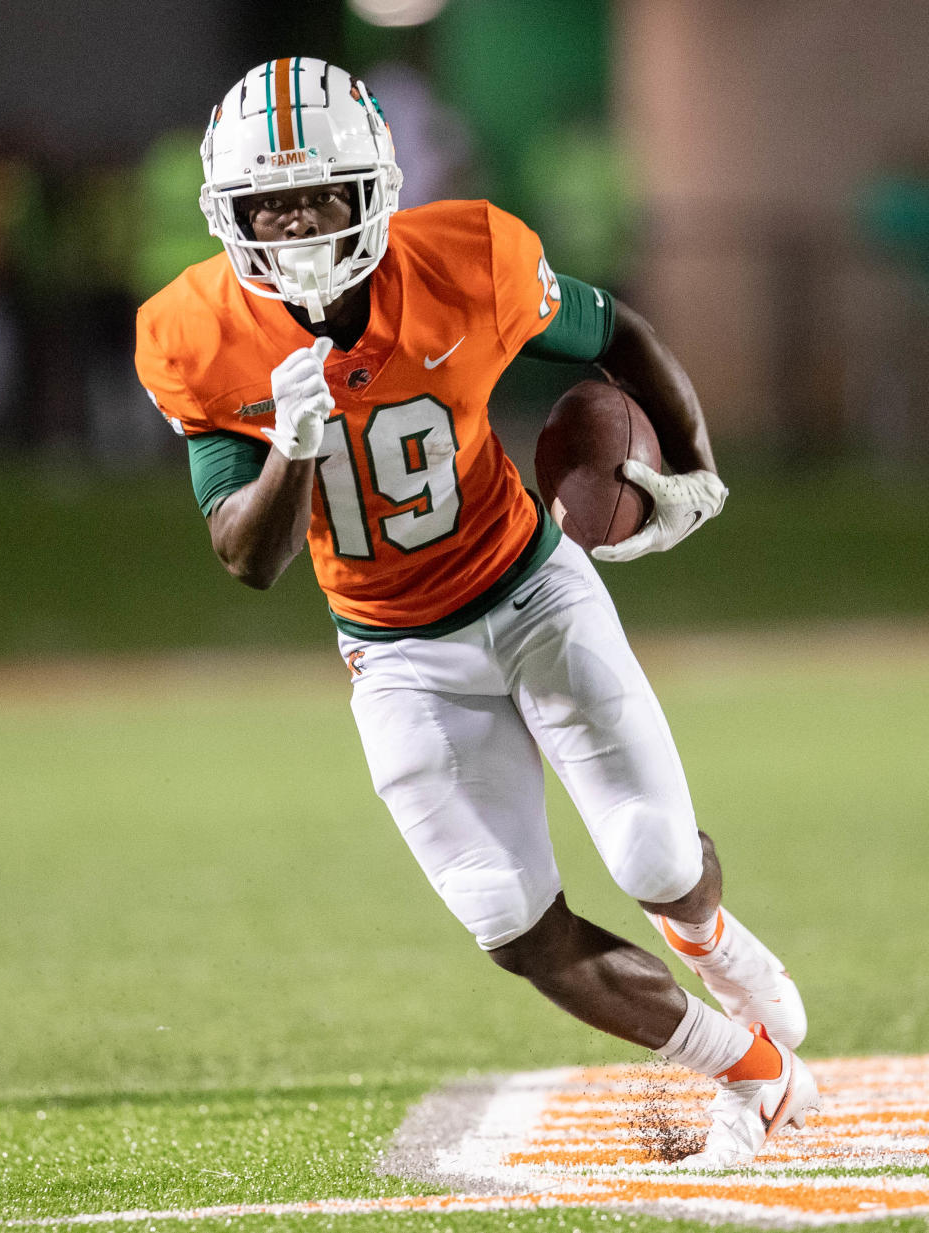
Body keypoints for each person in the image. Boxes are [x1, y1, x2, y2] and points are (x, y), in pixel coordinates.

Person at [135, 58, 818, 1167]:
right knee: (510, 921)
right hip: (394, 650)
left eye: (319, 195)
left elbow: (616, 336)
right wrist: (290, 454)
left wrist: (692, 467)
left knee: (653, 857)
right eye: (270, 203)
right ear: (231, 214)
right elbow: (247, 559)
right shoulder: (193, 332)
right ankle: (753, 1073)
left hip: (530, 586)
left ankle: (716, 941)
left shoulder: (470, 257)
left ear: (378, 190)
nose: (297, 223)